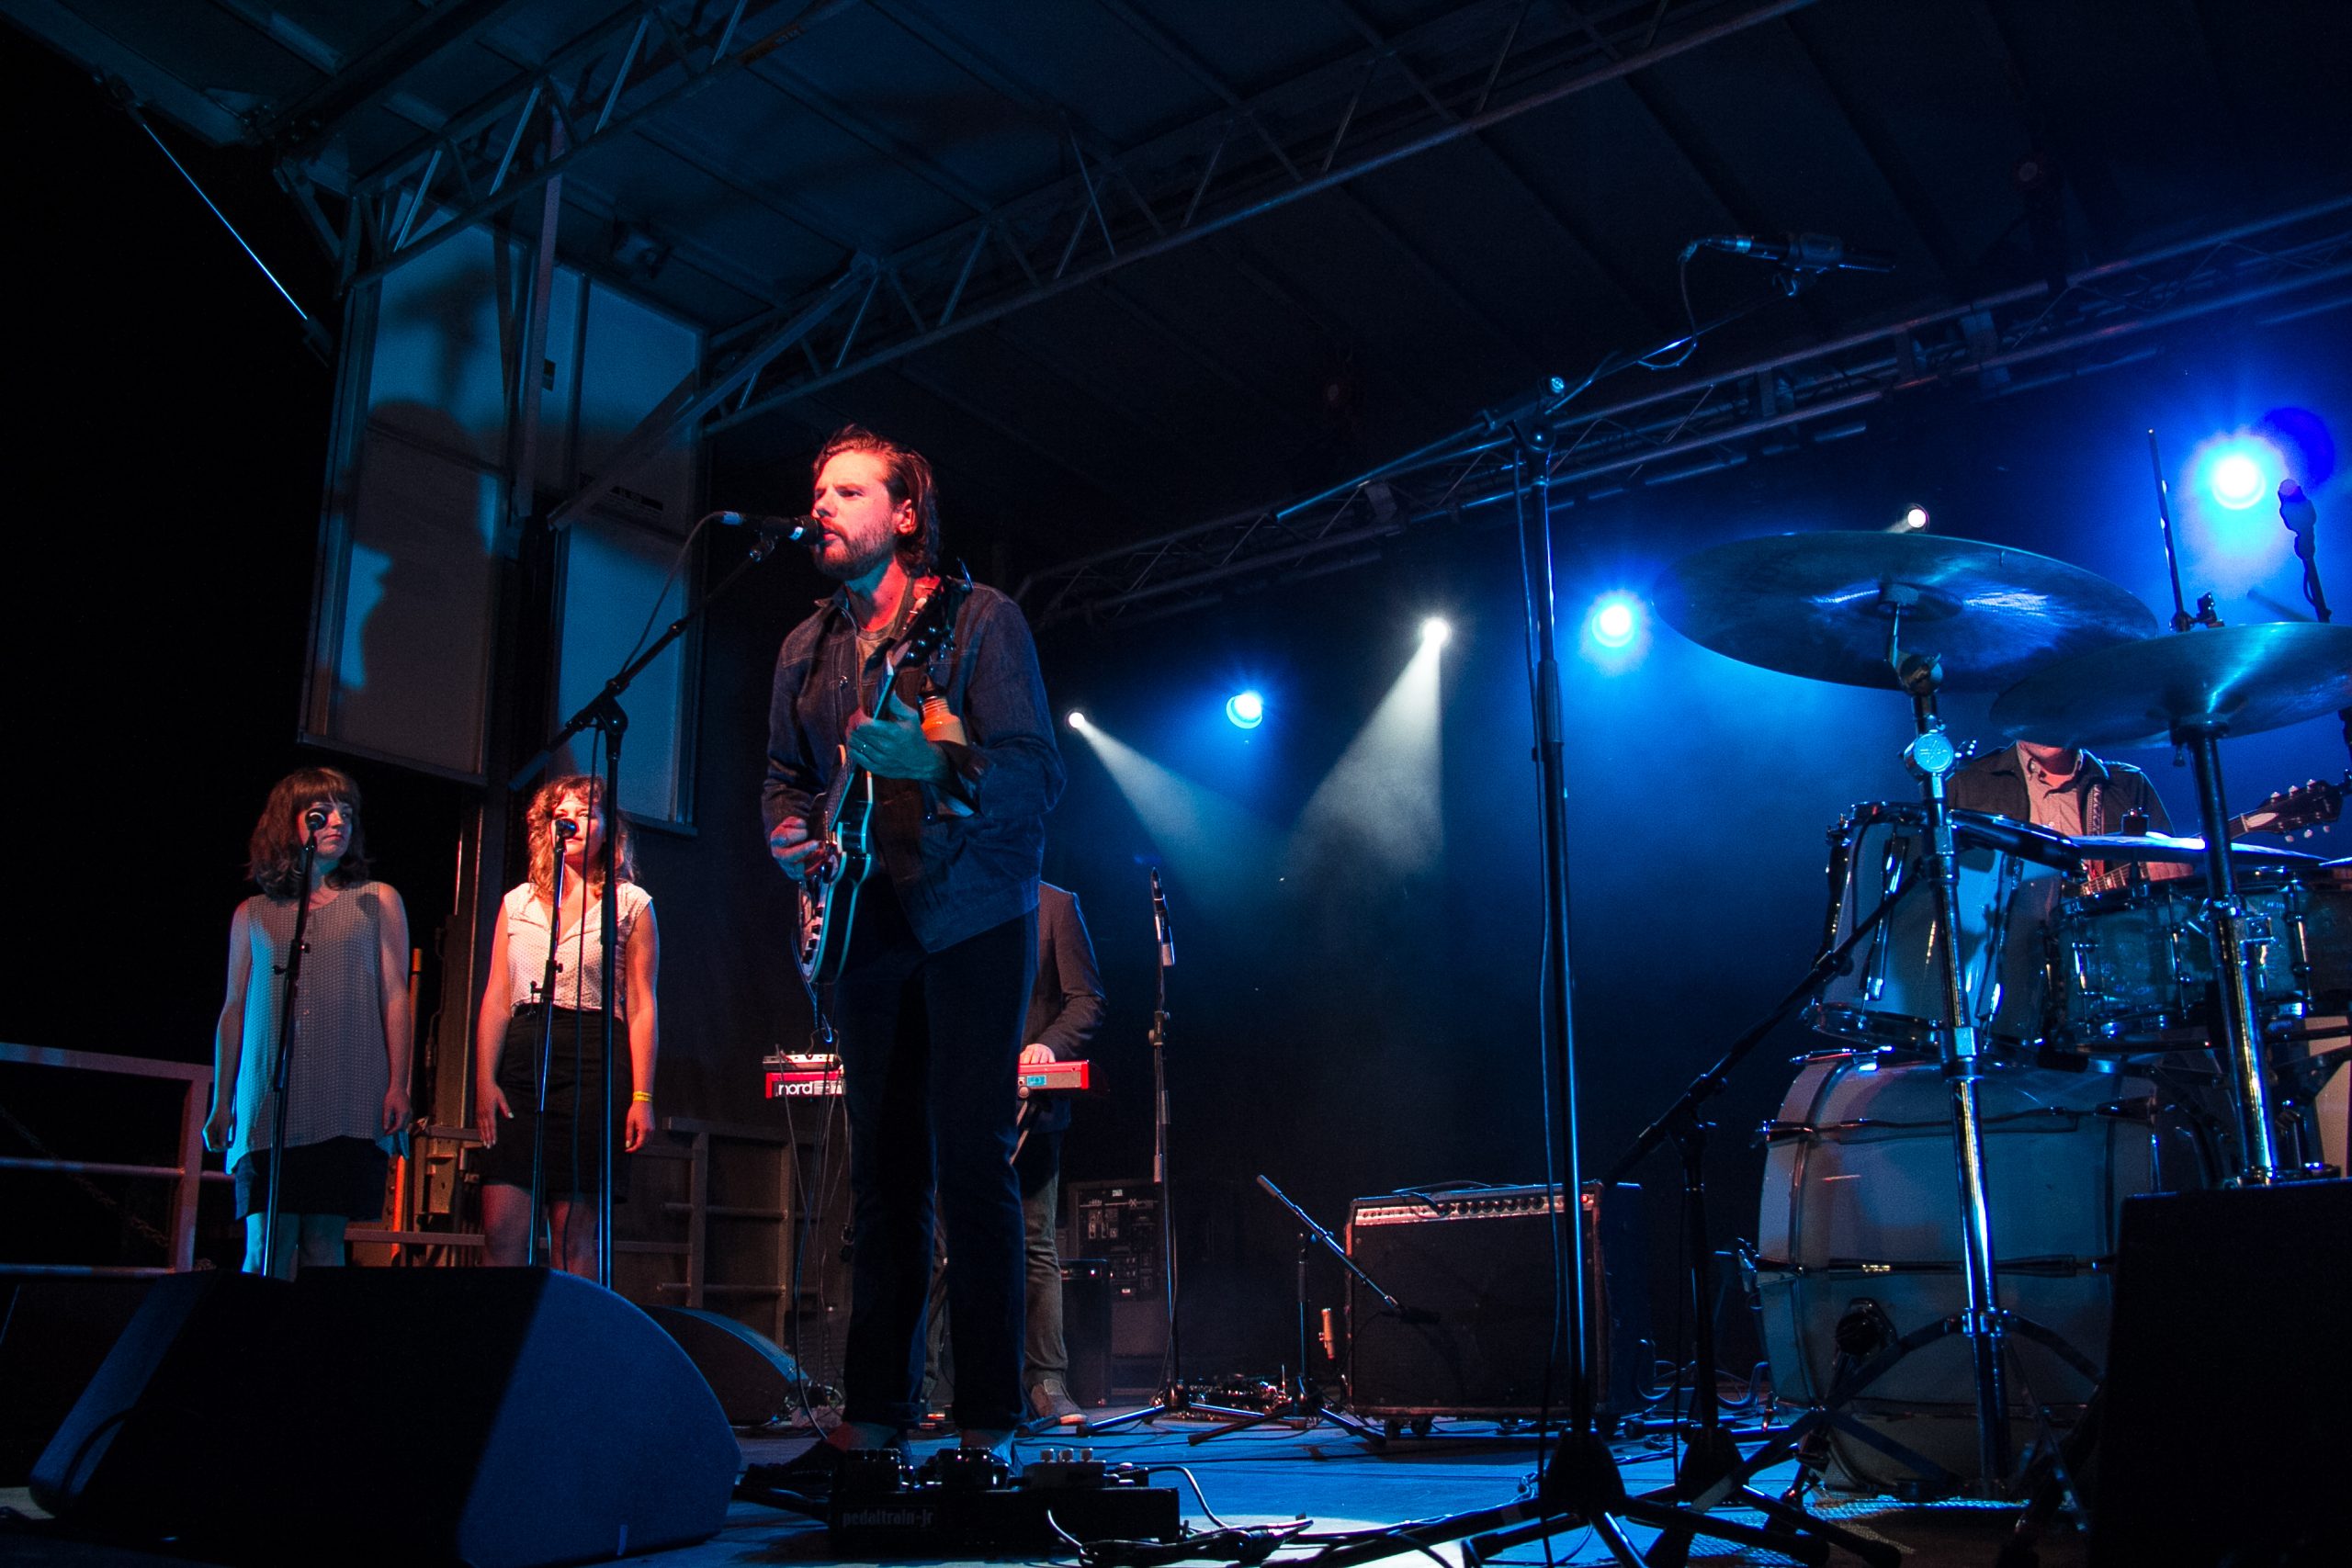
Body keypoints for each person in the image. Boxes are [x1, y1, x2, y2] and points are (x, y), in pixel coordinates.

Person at [764, 424, 1064, 1452]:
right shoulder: (805, 650)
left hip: (973, 913)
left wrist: (935, 765)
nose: (825, 507)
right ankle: (877, 1412)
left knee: (972, 1163)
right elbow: (782, 780)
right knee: (883, 1174)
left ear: (904, 516)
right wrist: (787, 838)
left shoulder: (978, 623)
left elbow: (1033, 772)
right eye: (819, 491)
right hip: (862, 925)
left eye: (849, 491)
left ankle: (989, 1415)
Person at [205, 768, 413, 1278]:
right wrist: (220, 1101)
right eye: (322, 812)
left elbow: (395, 996)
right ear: (291, 823)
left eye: (346, 811)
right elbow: (235, 1009)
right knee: (265, 1247)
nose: (338, 821)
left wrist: (399, 1084)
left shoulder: (377, 900)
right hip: (269, 1101)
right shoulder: (253, 913)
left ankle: (316, 1353)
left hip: (345, 1093)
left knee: (323, 1246)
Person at [923, 881, 1106, 1427]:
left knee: (1033, 1243)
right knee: (933, 1246)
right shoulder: (953, 900)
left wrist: (1048, 1045)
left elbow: (1087, 1000)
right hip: (953, 1099)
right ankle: (920, 1386)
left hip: (1031, 1107)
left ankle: (1046, 1381)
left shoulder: (1056, 905)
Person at [473, 774, 661, 1275]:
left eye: (587, 812)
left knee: (574, 1239)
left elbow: (642, 1005)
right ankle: (503, 1348)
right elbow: (496, 996)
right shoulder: (516, 903)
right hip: (523, 1055)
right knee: (500, 1230)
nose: (573, 821)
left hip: (594, 1059)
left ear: (608, 830)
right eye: (564, 813)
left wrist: (642, 1097)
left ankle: (571, 1348)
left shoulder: (631, 904)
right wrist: (483, 1079)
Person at [1948, 739, 2171, 836]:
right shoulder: (1965, 785)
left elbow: (2173, 880)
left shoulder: (2128, 783)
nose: (2044, 722)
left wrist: (2164, 861)